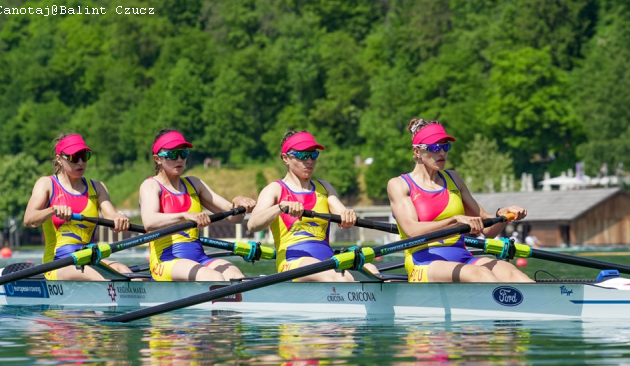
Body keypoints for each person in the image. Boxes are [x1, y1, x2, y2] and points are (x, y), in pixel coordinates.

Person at [387, 118, 534, 283]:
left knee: (513, 273)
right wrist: (455, 220)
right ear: (417, 151)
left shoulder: (454, 178)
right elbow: (412, 231)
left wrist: (502, 215)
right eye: (435, 147)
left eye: (446, 146)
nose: (442, 153)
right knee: (481, 275)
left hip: (463, 258)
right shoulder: (399, 185)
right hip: (422, 262)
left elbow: (488, 230)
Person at [247, 130, 378, 282]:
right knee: (337, 277)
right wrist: (281, 207)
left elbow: (341, 212)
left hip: (328, 259)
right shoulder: (275, 189)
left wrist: (348, 215)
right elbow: (252, 225)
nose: (309, 161)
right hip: (292, 261)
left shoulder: (325, 188)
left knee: (372, 272)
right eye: (302, 155)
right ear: (285, 158)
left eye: (313, 155)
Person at [139, 129, 256, 282]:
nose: (179, 159)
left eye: (183, 154)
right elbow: (150, 221)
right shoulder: (150, 186)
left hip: (199, 258)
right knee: (214, 277)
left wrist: (238, 201)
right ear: (157, 159)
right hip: (165, 261)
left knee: (237, 277)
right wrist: (184, 215)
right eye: (173, 154)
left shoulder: (195, 184)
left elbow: (234, 219)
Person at [23, 133, 134, 280]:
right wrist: (52, 210)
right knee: (101, 276)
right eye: (74, 157)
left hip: (89, 257)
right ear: (59, 159)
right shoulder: (47, 184)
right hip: (57, 264)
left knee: (126, 272)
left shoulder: (98, 187)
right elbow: (28, 219)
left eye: (84, 156)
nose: (80, 162)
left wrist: (119, 217)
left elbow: (111, 217)